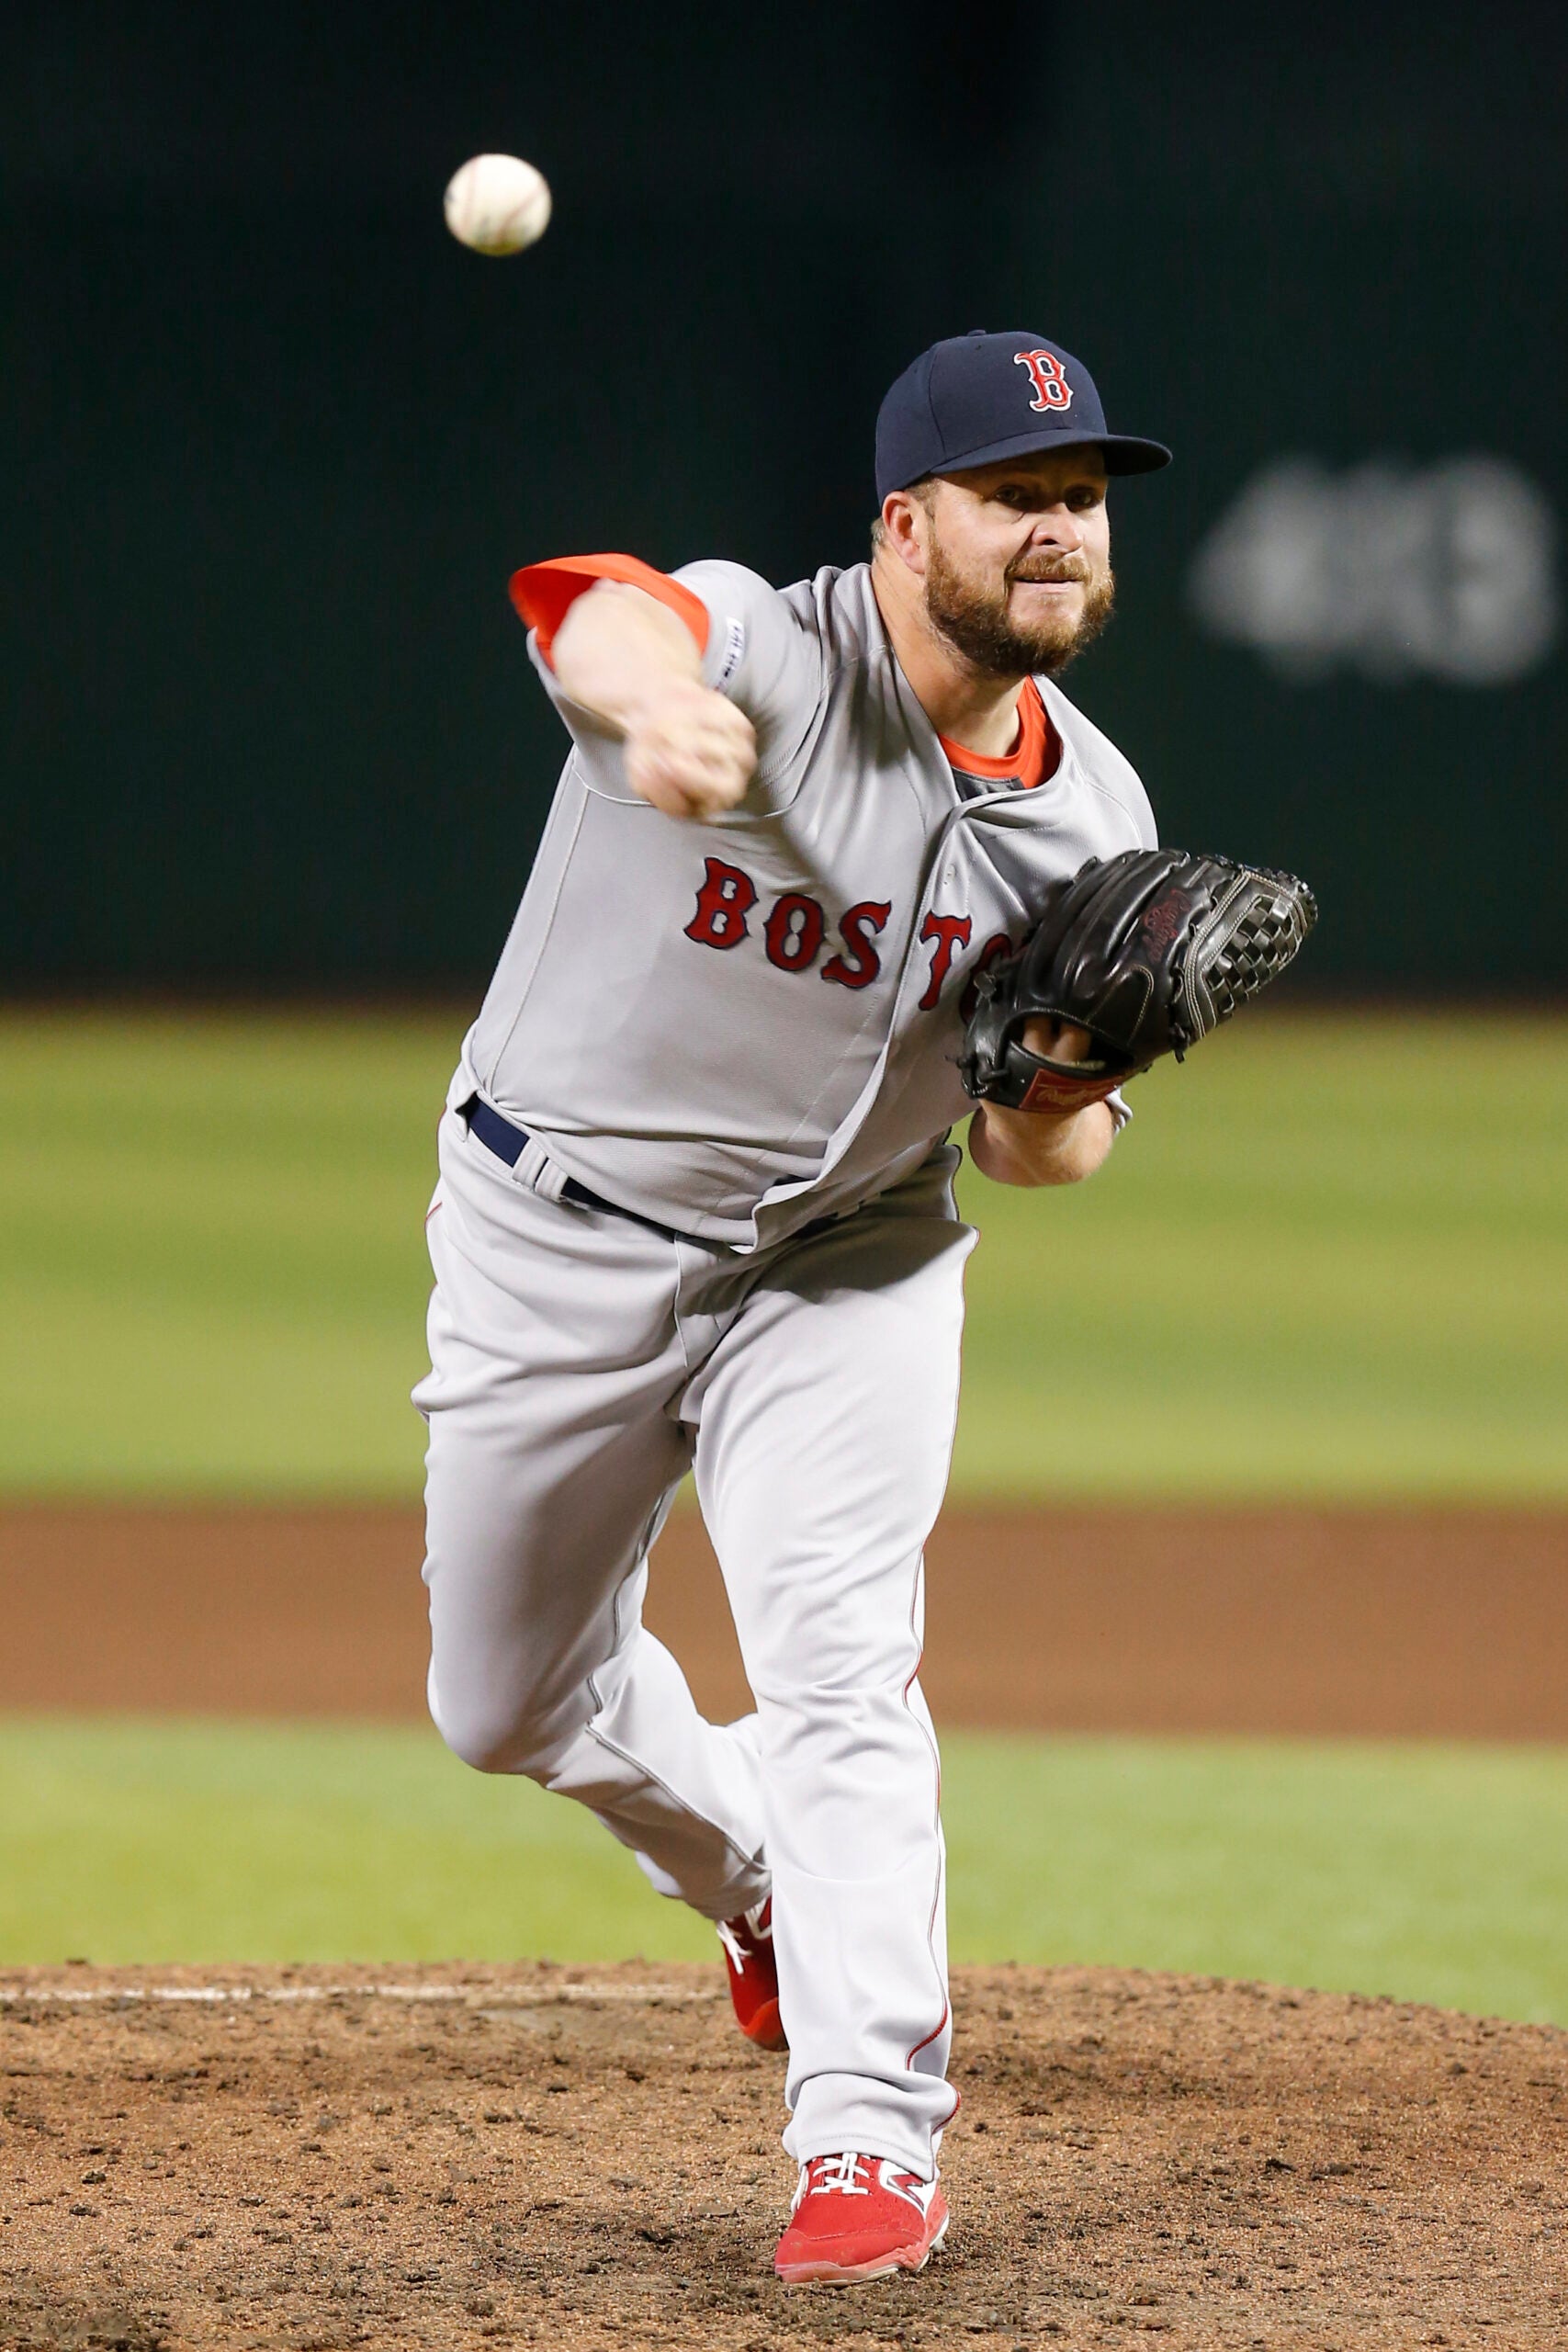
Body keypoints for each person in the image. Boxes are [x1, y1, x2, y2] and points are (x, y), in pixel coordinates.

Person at [412, 329, 1171, 2284]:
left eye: (1081, 502)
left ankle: (867, 2138)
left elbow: (1028, 1156)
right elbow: (598, 616)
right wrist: (648, 705)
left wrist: (1066, 1078)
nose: (1058, 533)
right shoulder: (763, 644)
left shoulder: (1094, 823)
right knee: (499, 1701)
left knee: (838, 1669)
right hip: (554, 1230)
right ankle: (748, 1870)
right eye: (1016, 497)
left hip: (849, 1259)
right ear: (903, 522)